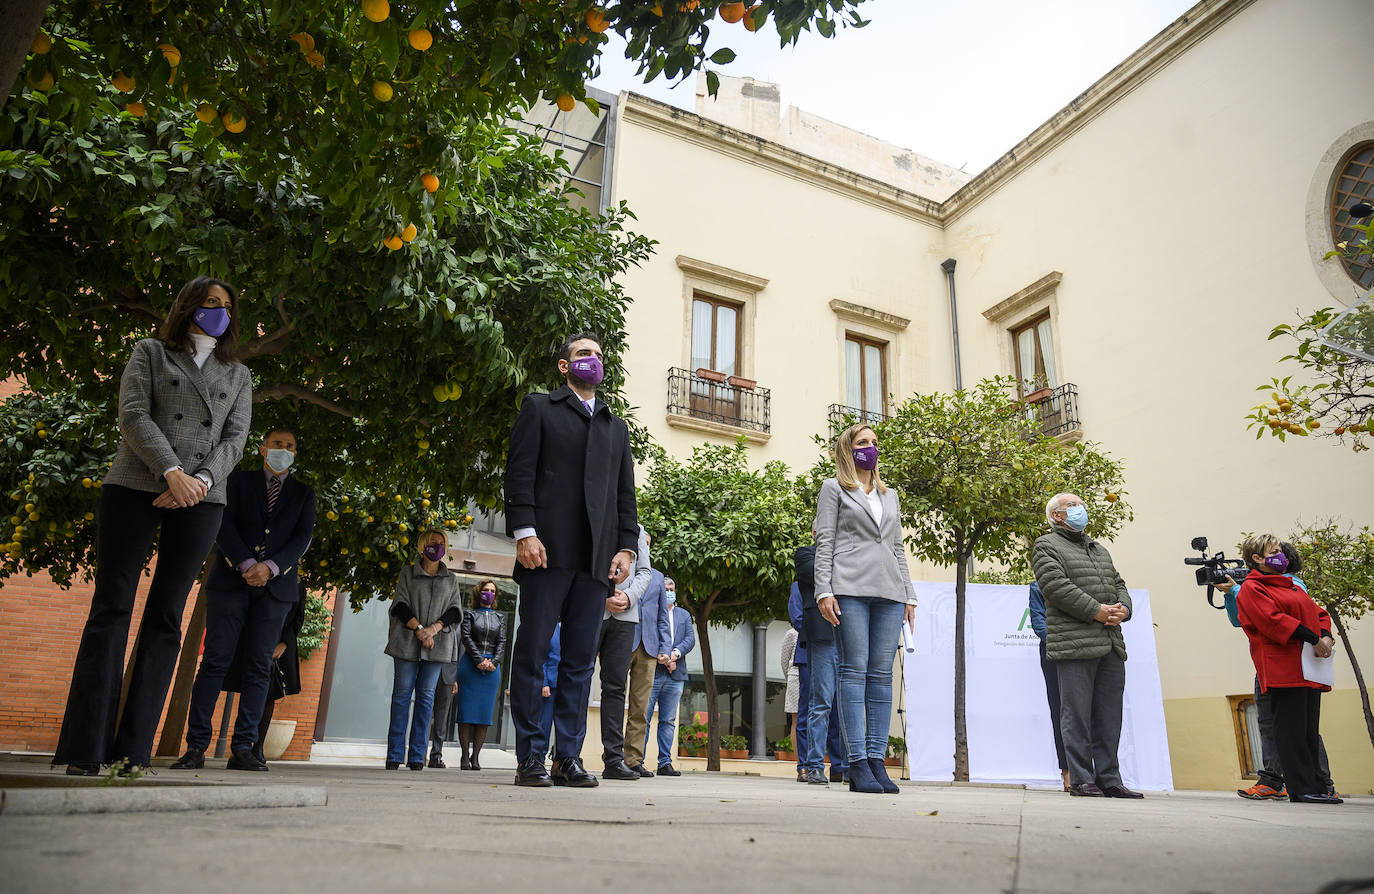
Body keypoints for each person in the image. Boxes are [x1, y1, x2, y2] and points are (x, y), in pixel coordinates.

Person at [53, 276, 253, 776]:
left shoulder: (239, 374)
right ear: (188, 306)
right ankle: (84, 749)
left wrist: (199, 481)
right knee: (111, 606)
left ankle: (132, 752)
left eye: (226, 306)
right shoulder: (150, 351)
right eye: (210, 303)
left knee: (167, 616)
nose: (218, 313)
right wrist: (171, 471)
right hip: (136, 483)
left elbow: (236, 439)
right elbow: (134, 415)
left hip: (203, 497)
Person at [504, 331, 639, 788]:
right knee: (533, 652)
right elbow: (519, 473)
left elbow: (625, 497)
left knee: (580, 663)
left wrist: (625, 548)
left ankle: (568, 757)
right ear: (565, 366)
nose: (594, 361)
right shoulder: (539, 408)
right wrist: (525, 532)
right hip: (545, 553)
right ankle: (530, 757)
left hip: (596, 562)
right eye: (584, 354)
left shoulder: (614, 427)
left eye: (599, 356)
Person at [172, 427, 316, 772]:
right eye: (278, 444)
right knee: (216, 661)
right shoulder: (236, 481)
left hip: (276, 590)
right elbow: (222, 522)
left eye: (291, 446)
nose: (284, 450)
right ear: (263, 449)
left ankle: (243, 748)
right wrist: (247, 563)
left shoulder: (303, 494)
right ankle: (196, 746)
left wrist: (270, 567)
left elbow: (302, 538)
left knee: (258, 666)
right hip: (230, 584)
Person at [813, 423, 915, 795]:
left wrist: (909, 594)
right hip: (849, 587)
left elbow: (898, 547)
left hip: (889, 590)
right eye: (862, 442)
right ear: (848, 448)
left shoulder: (890, 495)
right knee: (854, 673)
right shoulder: (833, 488)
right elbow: (825, 541)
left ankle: (876, 759)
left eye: (873, 443)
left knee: (881, 675)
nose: (870, 448)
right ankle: (856, 763)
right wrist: (823, 589)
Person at [1032, 492, 1142, 799]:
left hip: (1109, 644)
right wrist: (1096, 610)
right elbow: (1055, 586)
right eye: (1073, 505)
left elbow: (1118, 582)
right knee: (1076, 715)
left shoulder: (1099, 549)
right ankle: (1081, 778)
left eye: (1081, 504)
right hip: (1074, 643)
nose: (1081, 509)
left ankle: (1110, 779)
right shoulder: (1046, 545)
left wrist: (1124, 608)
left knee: (1109, 716)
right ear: (1056, 516)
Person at [1234, 534, 1342, 805]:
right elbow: (1273, 621)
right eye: (1274, 551)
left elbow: (1318, 613)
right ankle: (1301, 789)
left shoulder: (1292, 586)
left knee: (1308, 729)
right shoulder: (1252, 588)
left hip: (1308, 667)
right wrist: (1313, 638)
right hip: (1282, 668)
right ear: (1257, 558)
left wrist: (1325, 635)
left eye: (1280, 550)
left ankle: (1318, 786)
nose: (1281, 555)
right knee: (1290, 730)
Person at [384, 530, 463, 770]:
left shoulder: (450, 579)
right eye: (432, 543)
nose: (436, 547)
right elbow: (400, 605)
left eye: (440, 544)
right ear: (422, 546)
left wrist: (433, 630)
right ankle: (395, 755)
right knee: (401, 697)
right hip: (407, 641)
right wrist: (420, 629)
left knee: (426, 699)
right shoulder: (408, 573)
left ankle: (418, 756)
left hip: (438, 645)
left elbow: (455, 611)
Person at [595, 525, 655, 781]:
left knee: (615, 687)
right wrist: (601, 596)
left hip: (626, 618)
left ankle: (613, 759)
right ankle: (565, 754)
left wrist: (629, 597)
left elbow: (644, 571)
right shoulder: (592, 514)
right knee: (575, 677)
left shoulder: (636, 530)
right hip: (592, 610)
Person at [795, 541, 848, 786]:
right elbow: (818, 572)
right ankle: (814, 766)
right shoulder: (806, 554)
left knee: (849, 705)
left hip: (850, 636)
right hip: (823, 636)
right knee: (821, 703)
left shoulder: (849, 550)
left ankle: (849, 767)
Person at [239, 586, 307, 768]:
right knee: (250, 692)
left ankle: (258, 747)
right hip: (255, 641)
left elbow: (298, 619)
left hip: (279, 647)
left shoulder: (298, 586)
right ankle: (242, 746)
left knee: (270, 694)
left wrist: (284, 642)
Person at [624, 552, 672, 778]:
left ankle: (633, 760)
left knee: (641, 708)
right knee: (613, 700)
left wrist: (665, 648)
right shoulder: (621, 569)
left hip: (649, 648)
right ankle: (612, 756)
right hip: (621, 641)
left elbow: (663, 616)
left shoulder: (658, 577)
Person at [642, 577, 695, 776]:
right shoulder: (651, 612)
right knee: (643, 719)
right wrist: (663, 658)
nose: (669, 591)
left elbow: (690, 639)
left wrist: (674, 655)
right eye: (666, 589)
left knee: (668, 721)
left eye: (672, 588)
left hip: (676, 675)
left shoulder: (684, 615)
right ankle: (638, 760)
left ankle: (665, 763)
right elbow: (647, 637)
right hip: (653, 672)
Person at [456, 579, 507, 770]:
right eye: (486, 590)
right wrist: (479, 660)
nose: (489, 593)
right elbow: (466, 638)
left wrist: (492, 662)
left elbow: (502, 642)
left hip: (491, 669)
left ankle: (476, 757)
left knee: (484, 715)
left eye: (493, 591)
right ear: (479, 592)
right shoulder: (469, 614)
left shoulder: (499, 617)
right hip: (470, 665)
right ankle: (464, 756)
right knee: (467, 713)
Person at [1028, 581, 1070, 791]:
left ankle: (1096, 770)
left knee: (1089, 712)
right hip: (1054, 653)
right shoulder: (1038, 587)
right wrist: (1064, 643)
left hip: (1085, 651)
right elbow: (1039, 623)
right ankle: (1068, 772)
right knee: (1060, 710)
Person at [428, 661, 459, 769]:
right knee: (422, 713)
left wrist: (456, 678)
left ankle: (436, 755)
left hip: (449, 674)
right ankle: (417, 756)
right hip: (427, 668)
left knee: (442, 717)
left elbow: (459, 653)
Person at [538, 623, 562, 755]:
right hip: (550, 686)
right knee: (544, 725)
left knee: (565, 727)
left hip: (567, 686)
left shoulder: (574, 629)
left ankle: (559, 758)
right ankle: (539, 757)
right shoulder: (550, 629)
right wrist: (544, 682)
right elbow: (542, 658)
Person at [780, 625, 801, 775]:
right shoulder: (791, 634)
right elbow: (784, 660)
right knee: (797, 720)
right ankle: (800, 763)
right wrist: (790, 679)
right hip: (795, 677)